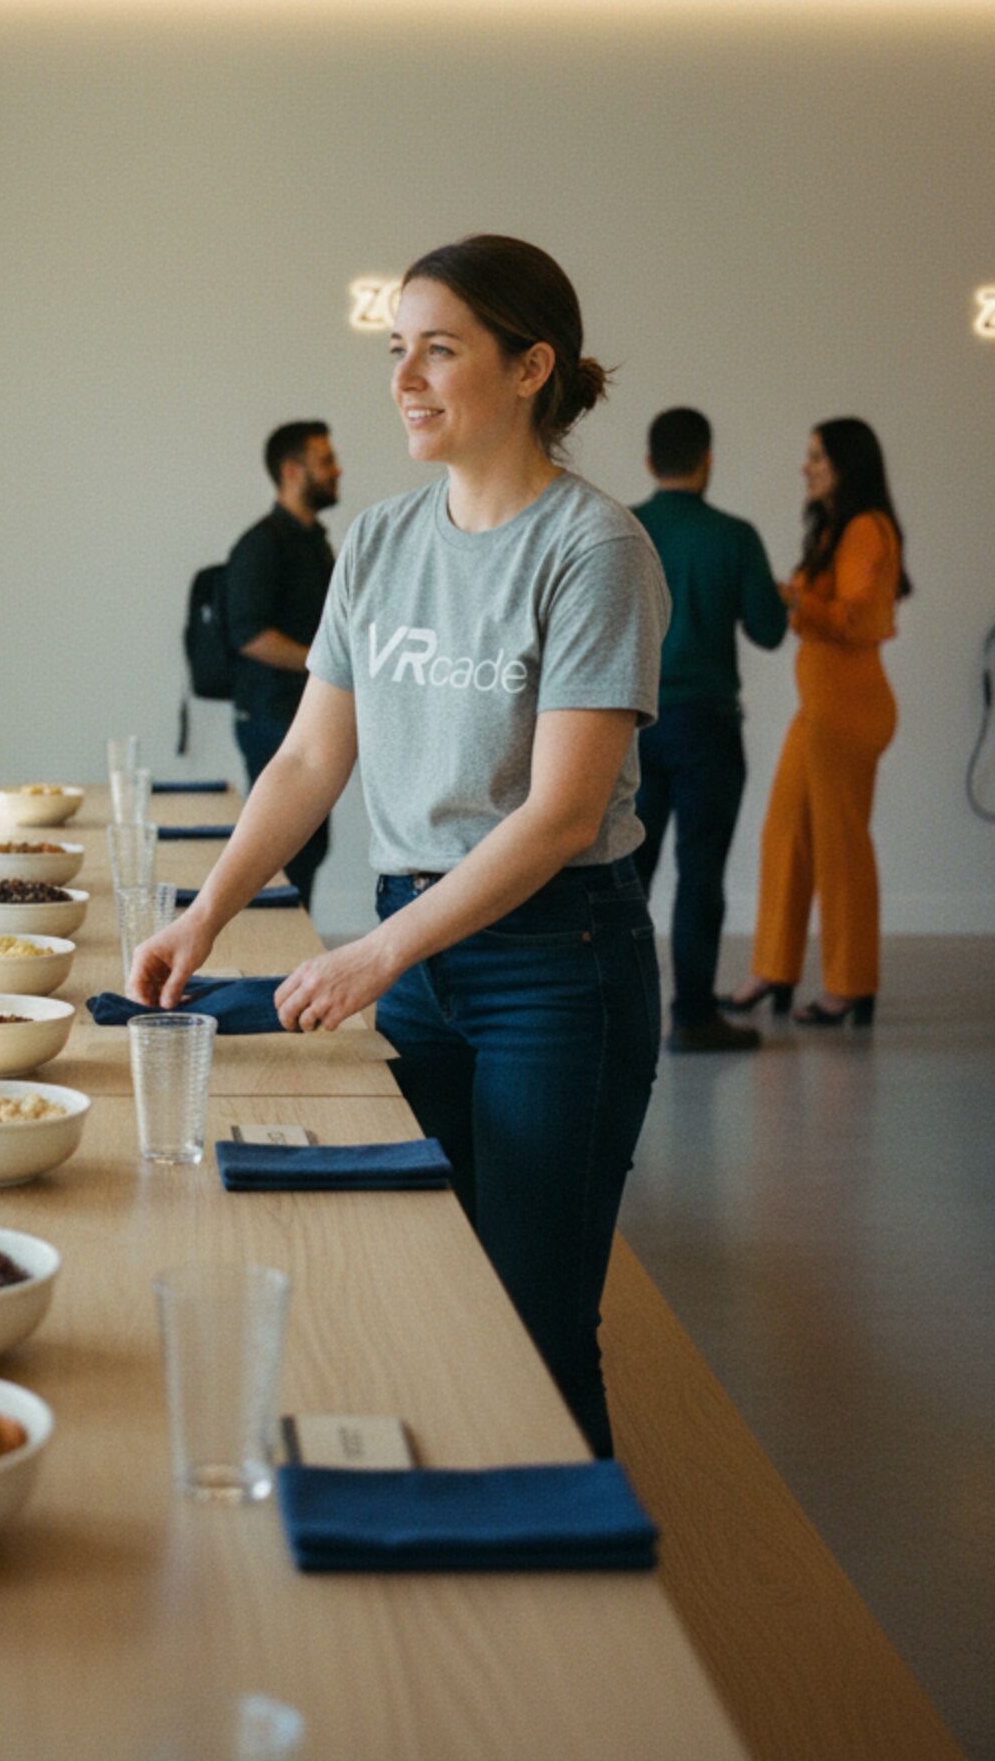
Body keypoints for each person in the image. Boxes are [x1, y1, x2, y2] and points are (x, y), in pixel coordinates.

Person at [133, 234, 669, 1460]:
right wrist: (203, 912)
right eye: (395, 350)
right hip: (420, 955)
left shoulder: (594, 549)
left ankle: (565, 1564)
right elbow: (306, 762)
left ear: (530, 366)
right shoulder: (376, 542)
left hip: (555, 968)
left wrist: (373, 955)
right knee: (422, 1279)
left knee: (534, 1322)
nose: (404, 380)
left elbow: (560, 814)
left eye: (439, 349)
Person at [723, 418, 909, 1027]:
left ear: (846, 466)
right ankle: (773, 970)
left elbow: (860, 619)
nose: (806, 468)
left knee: (839, 846)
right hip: (820, 709)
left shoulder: (865, 528)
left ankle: (850, 985)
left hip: (847, 708)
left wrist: (794, 598)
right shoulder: (835, 528)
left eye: (818, 458)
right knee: (785, 833)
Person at [632, 407, 788, 1053]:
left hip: (629, 724)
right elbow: (770, 631)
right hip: (708, 726)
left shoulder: (625, 527)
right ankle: (693, 1016)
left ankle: (620, 1010)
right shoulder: (734, 536)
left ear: (650, 462)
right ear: (707, 460)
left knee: (625, 875)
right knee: (701, 874)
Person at [225, 420, 342, 907]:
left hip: (304, 716)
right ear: (293, 471)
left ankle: (296, 947)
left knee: (308, 848)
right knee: (281, 852)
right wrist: (329, 665)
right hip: (271, 717)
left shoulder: (315, 541)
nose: (337, 470)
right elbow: (249, 636)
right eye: (325, 461)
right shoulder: (261, 545)